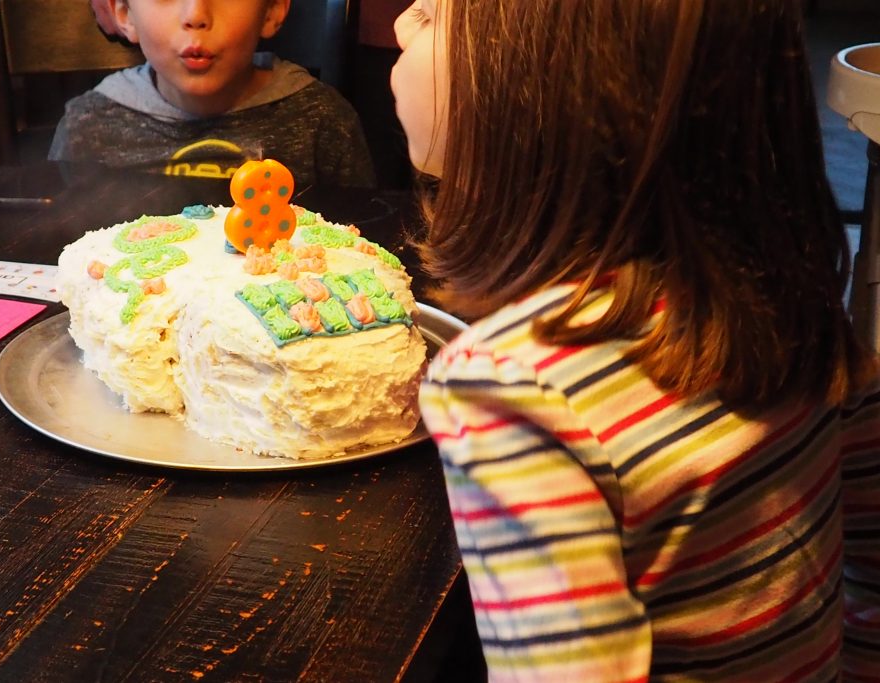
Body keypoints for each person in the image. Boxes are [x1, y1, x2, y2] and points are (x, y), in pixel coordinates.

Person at [392, 0, 880, 679]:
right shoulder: (789, 292)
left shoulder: (512, 386)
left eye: (433, 10)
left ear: (552, 83)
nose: (401, 25)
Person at [50, 0, 375, 188]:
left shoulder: (322, 121)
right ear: (125, 14)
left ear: (271, 10)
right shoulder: (87, 127)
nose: (196, 15)